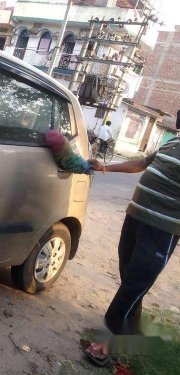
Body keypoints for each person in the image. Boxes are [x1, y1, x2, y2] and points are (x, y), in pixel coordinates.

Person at [82, 111, 180, 365]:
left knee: (135, 283)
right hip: (135, 217)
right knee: (128, 275)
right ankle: (130, 326)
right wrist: (106, 167)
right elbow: (141, 164)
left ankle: (109, 339)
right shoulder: (172, 142)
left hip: (162, 229)